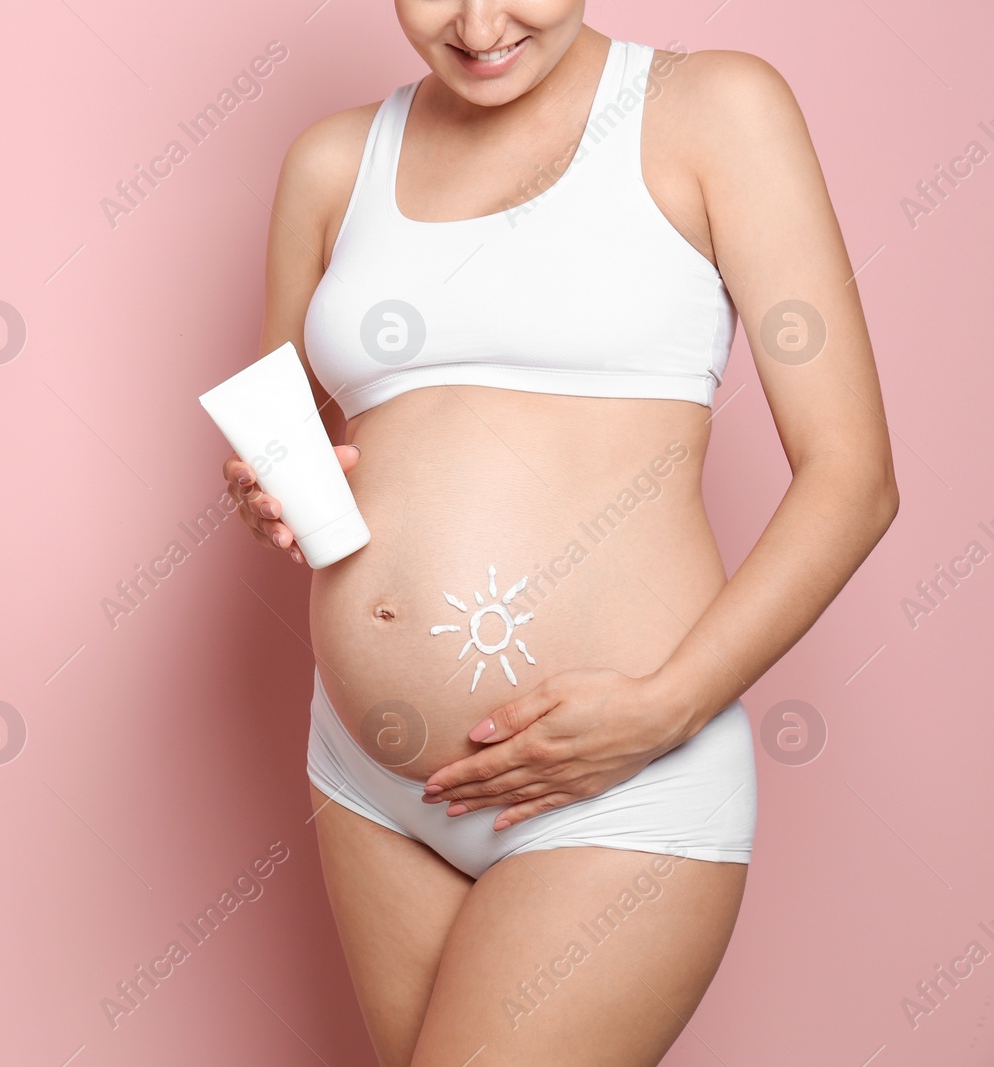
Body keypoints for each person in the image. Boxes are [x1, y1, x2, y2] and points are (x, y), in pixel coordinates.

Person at [218, 4, 898, 1065]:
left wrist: (663, 707)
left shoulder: (711, 110)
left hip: (621, 772)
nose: (480, 22)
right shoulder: (333, 162)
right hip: (369, 777)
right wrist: (268, 493)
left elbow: (852, 478)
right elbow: (284, 432)